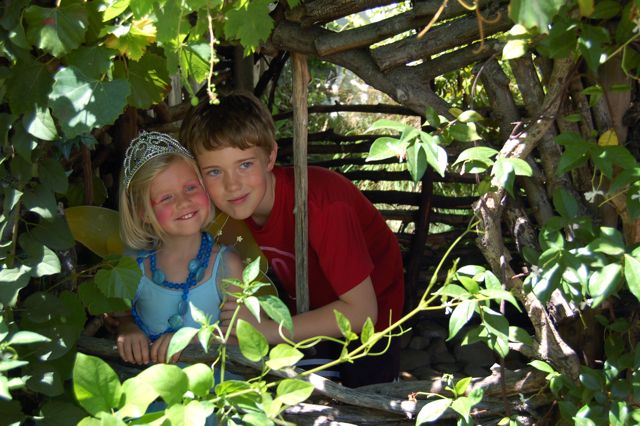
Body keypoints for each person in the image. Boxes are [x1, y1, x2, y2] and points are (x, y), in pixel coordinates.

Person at [179, 92, 405, 387]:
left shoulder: (321, 205)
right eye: (214, 172)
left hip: (370, 322)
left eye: (245, 165)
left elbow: (363, 313)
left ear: (270, 157)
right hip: (306, 309)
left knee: (359, 399)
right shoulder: (228, 211)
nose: (232, 184)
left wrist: (265, 330)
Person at [114, 131, 243, 365]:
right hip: (147, 382)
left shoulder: (226, 266)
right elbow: (116, 313)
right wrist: (127, 327)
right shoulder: (134, 264)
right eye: (166, 198)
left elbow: (238, 339)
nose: (183, 202)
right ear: (142, 213)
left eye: (191, 188)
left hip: (213, 384)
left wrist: (192, 340)